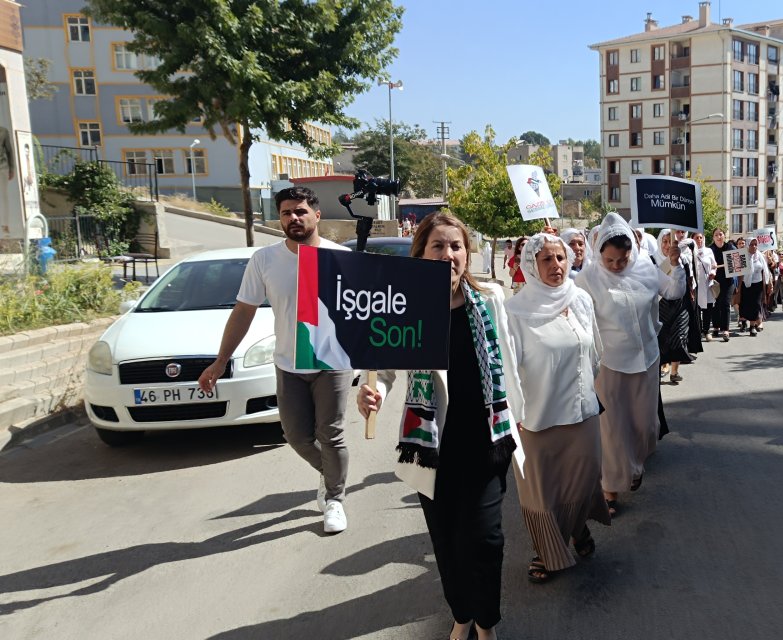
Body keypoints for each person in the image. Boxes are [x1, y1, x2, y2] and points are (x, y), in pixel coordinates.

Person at [357, 213, 523, 640]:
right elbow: (384, 370)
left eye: (456, 246)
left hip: (487, 441)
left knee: (486, 541)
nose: (448, 254)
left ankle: (485, 623)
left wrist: (522, 424)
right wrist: (369, 393)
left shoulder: (491, 300)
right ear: (421, 253)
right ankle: (462, 614)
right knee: (448, 543)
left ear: (467, 254)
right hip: (431, 446)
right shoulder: (405, 306)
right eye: (438, 246)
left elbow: (511, 364)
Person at [198, 186, 353, 534]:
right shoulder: (264, 260)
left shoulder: (340, 257)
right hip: (289, 363)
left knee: (331, 434)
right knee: (296, 436)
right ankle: (331, 475)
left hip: (333, 362)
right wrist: (220, 361)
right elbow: (243, 312)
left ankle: (335, 499)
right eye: (286, 213)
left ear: (317, 215)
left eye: (300, 211)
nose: (293, 218)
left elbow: (363, 315)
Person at [505, 233, 611, 584]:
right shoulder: (517, 311)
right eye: (547, 259)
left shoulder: (579, 298)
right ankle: (547, 549)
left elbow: (594, 351)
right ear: (531, 266)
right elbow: (508, 366)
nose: (557, 266)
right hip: (537, 419)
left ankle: (577, 527)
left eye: (561, 258)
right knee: (542, 492)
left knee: (584, 478)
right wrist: (514, 412)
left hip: (582, 412)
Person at [578, 213, 683, 516]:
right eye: (609, 260)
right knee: (612, 428)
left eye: (621, 260)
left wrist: (674, 264)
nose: (615, 266)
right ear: (599, 253)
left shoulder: (648, 269)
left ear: (632, 253)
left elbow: (673, 291)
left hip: (647, 360)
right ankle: (609, 488)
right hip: (609, 364)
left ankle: (633, 466)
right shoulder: (588, 279)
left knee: (645, 426)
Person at [656, 230, 695, 384]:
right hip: (661, 305)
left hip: (680, 304)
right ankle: (661, 367)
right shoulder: (653, 260)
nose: (667, 245)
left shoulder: (683, 259)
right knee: (663, 338)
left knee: (679, 337)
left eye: (669, 242)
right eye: (664, 242)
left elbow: (689, 277)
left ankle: (674, 371)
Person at [707, 229, 734, 342]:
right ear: (713, 237)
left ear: (724, 236)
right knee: (716, 304)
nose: (719, 237)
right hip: (715, 281)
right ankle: (716, 327)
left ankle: (725, 330)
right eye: (716, 235)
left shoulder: (730, 247)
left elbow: (737, 263)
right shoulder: (710, 250)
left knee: (726, 304)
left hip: (728, 281)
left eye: (720, 234)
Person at [691, 231, 718, 342]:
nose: (699, 240)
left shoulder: (708, 251)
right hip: (695, 284)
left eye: (701, 237)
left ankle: (706, 331)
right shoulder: (689, 251)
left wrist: (713, 272)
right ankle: (698, 331)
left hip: (707, 283)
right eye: (696, 238)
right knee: (696, 308)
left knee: (708, 308)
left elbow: (714, 265)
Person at [740, 238, 768, 336]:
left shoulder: (760, 256)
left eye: (755, 244)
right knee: (745, 305)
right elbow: (737, 271)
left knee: (755, 305)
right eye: (751, 245)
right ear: (747, 245)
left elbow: (764, 271)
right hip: (746, 284)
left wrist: (767, 285)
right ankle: (743, 322)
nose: (754, 247)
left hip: (758, 284)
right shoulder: (742, 256)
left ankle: (752, 327)